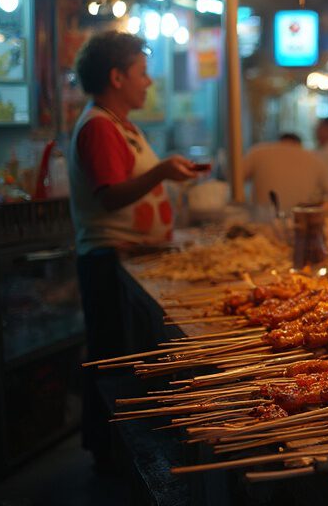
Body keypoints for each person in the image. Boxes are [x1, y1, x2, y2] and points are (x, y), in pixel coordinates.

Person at [68, 31, 204, 469]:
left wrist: (166, 172)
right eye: (142, 74)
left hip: (129, 258)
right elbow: (109, 195)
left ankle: (118, 452)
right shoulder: (98, 127)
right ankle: (111, 458)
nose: (149, 82)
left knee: (123, 358)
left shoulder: (121, 125)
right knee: (114, 362)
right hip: (110, 260)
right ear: (116, 76)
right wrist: (162, 171)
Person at [242, 133, 328, 212]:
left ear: (279, 141)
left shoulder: (258, 152)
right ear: (299, 145)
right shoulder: (315, 159)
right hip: (300, 223)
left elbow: (236, 179)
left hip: (262, 224)